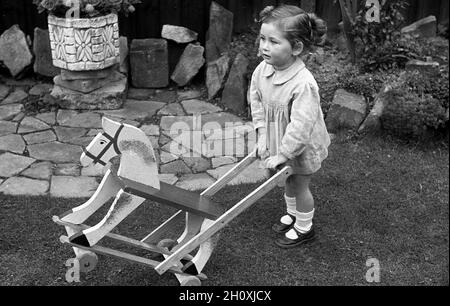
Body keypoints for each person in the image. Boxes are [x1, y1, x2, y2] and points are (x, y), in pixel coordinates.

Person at [249, 4, 331, 248]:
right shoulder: (262, 70)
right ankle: (293, 215)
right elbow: (256, 102)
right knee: (287, 178)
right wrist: (262, 134)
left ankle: (305, 228)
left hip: (301, 144)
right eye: (262, 38)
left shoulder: (303, 84)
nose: (264, 46)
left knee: (299, 183)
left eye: (274, 41)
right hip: (278, 136)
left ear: (296, 48)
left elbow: (301, 127)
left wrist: (284, 153)